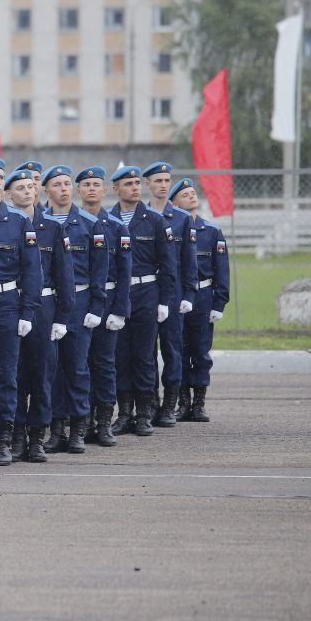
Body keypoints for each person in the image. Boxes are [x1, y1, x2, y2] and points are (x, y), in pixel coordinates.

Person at [0, 158, 42, 466]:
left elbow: (32, 270)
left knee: (6, 375)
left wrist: (27, 311)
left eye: (1, 177)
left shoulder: (18, 221)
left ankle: (4, 440)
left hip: (7, 303)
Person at [42, 165, 108, 454]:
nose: (64, 189)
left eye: (68, 184)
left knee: (78, 367)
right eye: (57, 184)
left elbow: (100, 271)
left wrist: (97, 305)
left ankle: (79, 428)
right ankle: (56, 428)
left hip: (79, 304)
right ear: (47, 191)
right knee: (52, 369)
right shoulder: (38, 224)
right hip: (49, 303)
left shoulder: (89, 224)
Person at [6, 168, 70, 462]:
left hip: (43, 307)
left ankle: (37, 439)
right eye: (19, 188)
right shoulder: (3, 225)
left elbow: (64, 275)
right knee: (14, 375)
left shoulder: (53, 228)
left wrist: (62, 317)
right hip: (11, 303)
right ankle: (17, 436)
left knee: (42, 375)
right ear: (9, 195)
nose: (27, 192)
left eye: (30, 187)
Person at [110, 165, 177, 437]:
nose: (135, 188)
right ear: (116, 190)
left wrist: (164, 300)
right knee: (120, 355)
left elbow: (168, 264)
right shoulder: (109, 220)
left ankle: (145, 413)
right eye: (128, 184)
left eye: (138, 183)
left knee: (145, 355)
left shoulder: (154, 220)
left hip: (146, 293)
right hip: (117, 295)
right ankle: (124, 412)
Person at [76, 167, 130, 447]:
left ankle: (104, 421)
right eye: (86, 185)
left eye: (97, 184)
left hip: (108, 301)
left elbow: (124, 271)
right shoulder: (75, 224)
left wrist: (120, 309)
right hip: (82, 302)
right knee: (80, 364)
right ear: (79, 191)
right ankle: (83, 420)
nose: (92, 189)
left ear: (105, 190)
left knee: (105, 363)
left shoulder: (117, 227)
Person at [171, 179, 230, 421]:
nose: (192, 197)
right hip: (177, 296)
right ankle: (183, 401)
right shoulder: (171, 230)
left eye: (193, 193)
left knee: (201, 351)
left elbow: (221, 270)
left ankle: (199, 402)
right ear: (174, 203)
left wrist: (219, 302)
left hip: (203, 297)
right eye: (185, 195)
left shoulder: (212, 232)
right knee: (178, 350)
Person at [143, 162, 197, 426]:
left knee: (172, 350)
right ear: (148, 185)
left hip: (173, 293)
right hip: (146, 292)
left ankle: (169, 404)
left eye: (167, 181)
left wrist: (189, 294)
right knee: (145, 350)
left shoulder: (183, 219)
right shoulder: (138, 216)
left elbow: (188, 261)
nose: (163, 185)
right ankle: (150, 402)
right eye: (158, 181)